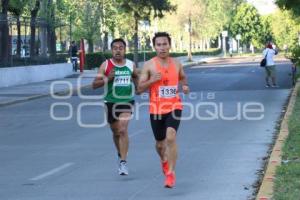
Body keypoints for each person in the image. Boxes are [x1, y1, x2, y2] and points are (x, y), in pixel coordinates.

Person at [137, 32, 190, 188]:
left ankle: (170, 173)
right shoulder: (149, 65)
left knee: (171, 137)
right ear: (154, 47)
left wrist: (185, 86)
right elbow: (139, 89)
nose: (162, 47)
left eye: (164, 44)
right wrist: (152, 80)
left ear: (169, 45)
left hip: (174, 106)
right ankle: (164, 161)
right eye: (158, 45)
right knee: (160, 145)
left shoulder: (177, 63)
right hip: (156, 109)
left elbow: (182, 77)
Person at [92, 38, 139, 175]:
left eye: (121, 48)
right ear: (111, 50)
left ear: (125, 50)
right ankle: (120, 153)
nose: (118, 50)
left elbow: (135, 77)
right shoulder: (105, 65)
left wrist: (138, 87)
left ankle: (123, 163)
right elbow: (95, 85)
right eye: (115, 48)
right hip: (110, 102)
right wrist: (108, 78)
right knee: (115, 132)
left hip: (126, 101)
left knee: (123, 130)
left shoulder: (130, 64)